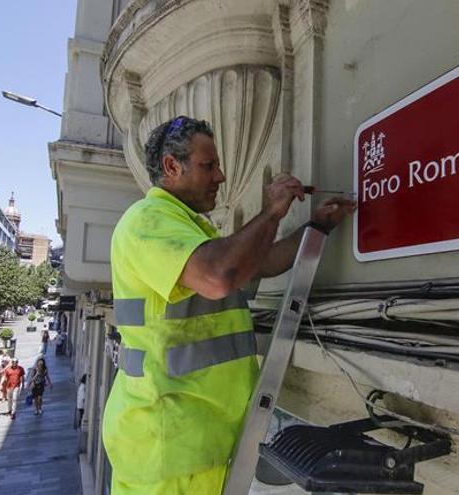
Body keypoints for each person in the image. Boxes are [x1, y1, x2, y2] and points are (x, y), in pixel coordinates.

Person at [101, 116, 355, 494]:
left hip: (197, 441)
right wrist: (271, 212)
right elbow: (221, 275)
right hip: (168, 448)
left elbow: (262, 262)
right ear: (172, 167)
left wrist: (318, 227)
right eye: (209, 166)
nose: (220, 176)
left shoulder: (191, 228)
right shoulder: (146, 221)